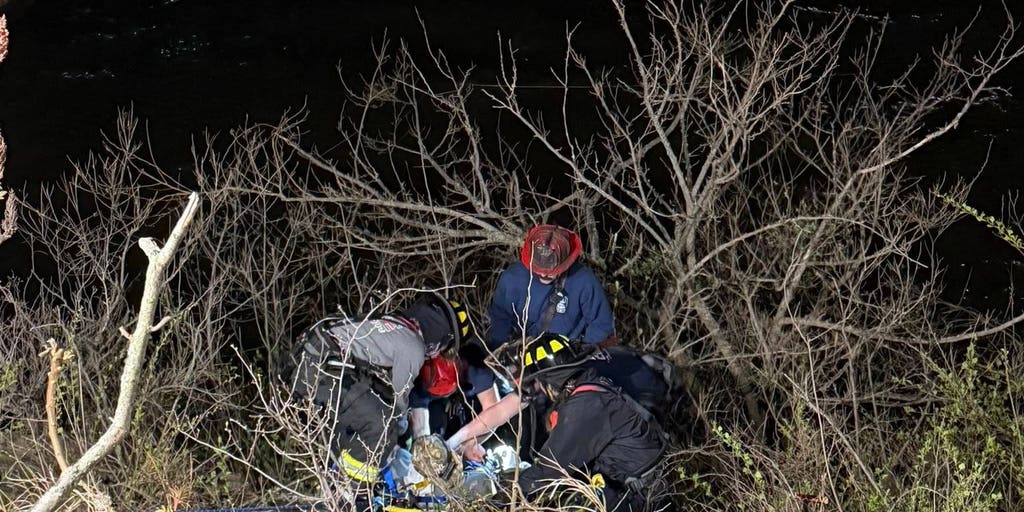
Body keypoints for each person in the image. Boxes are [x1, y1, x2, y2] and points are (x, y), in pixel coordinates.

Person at [278, 291, 474, 485]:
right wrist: (403, 434)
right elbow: (397, 406)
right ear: (440, 336)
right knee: (382, 424)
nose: (437, 353)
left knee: (367, 420)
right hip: (320, 370)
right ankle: (355, 496)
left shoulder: (396, 324)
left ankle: (339, 482)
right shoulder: (413, 346)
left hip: (313, 363)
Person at [444, 333, 680, 463]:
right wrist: (453, 444)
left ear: (544, 375)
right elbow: (498, 412)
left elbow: (553, 466)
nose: (520, 387)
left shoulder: (585, 396)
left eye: (525, 380)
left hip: (643, 451)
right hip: (646, 428)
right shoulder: (575, 366)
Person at [498, 335, 668, 511]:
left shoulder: (585, 405)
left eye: (538, 383)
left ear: (548, 378)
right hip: (639, 486)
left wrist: (506, 496)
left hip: (645, 499)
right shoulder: (591, 384)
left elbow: (551, 468)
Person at [487, 224, 615, 349]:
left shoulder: (583, 280)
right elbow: (499, 319)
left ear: (566, 263)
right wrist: (499, 352)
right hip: (522, 354)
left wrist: (582, 352)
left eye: (550, 271)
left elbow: (601, 324)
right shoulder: (513, 278)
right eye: (539, 268)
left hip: (565, 359)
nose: (543, 273)